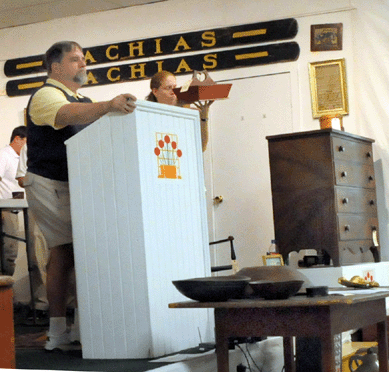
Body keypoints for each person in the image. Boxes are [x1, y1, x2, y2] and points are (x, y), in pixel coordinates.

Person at [23, 41, 136, 351]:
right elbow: (68, 115)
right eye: (75, 59)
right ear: (55, 66)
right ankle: (58, 331)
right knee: (63, 250)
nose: (83, 64)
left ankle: (81, 327)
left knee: (79, 251)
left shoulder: (82, 97)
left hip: (76, 185)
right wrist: (108, 106)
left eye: (84, 59)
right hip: (49, 182)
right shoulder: (46, 95)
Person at [146, 70, 213, 152]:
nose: (173, 92)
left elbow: (201, 147)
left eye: (174, 87)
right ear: (155, 91)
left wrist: (204, 118)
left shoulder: (186, 110)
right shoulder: (148, 114)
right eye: (168, 88)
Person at [0, 126, 27, 276]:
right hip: (6, 209)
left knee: (12, 251)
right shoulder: (4, 155)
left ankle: (7, 294)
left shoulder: (20, 158)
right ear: (17, 139)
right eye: (26, 143)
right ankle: (5, 294)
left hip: (17, 208)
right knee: (9, 252)